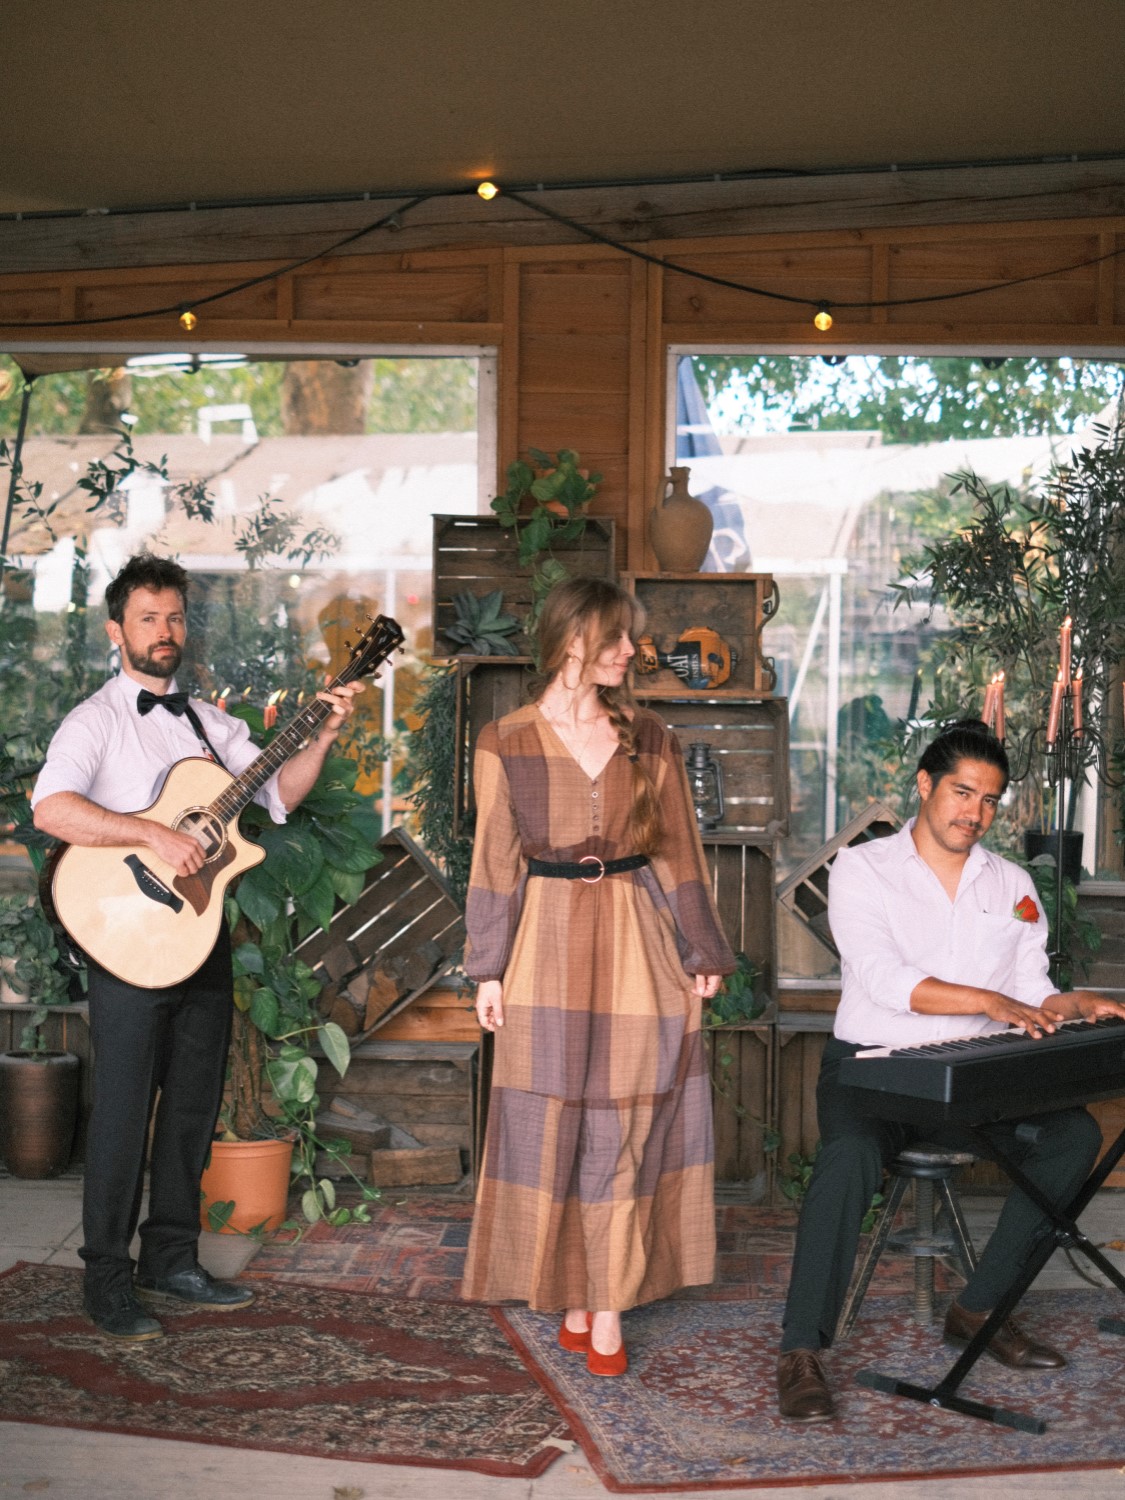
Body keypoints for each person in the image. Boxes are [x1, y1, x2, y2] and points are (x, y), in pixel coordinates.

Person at [32, 553, 362, 1341]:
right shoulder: (95, 721)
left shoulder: (211, 724)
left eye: (174, 617)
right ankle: (106, 1279)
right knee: (118, 1116)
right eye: (147, 618)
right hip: (124, 944)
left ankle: (170, 1260)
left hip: (200, 939)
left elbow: (278, 795)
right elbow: (52, 810)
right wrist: (151, 833)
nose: (164, 631)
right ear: (117, 631)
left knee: (189, 1109)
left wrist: (320, 732)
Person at [776, 719, 1125, 1421]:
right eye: (961, 792)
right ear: (924, 786)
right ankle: (799, 1350)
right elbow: (881, 979)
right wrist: (989, 999)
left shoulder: (1011, 882)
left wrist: (1072, 1001)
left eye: (989, 800)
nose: (973, 812)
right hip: (872, 1070)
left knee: (1073, 1138)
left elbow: (1029, 987)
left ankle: (976, 1311)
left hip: (974, 1074)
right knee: (846, 1159)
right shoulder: (862, 869)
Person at [461, 576, 735, 1374]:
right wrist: (487, 969)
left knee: (624, 1125)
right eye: (616, 638)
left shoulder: (649, 737)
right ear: (571, 640)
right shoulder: (504, 739)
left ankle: (605, 1309)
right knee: (554, 1123)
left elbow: (677, 849)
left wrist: (701, 949)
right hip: (540, 946)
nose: (630, 651)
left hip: (636, 942)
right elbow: (494, 862)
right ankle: (575, 1294)